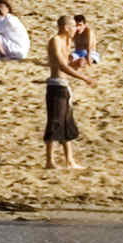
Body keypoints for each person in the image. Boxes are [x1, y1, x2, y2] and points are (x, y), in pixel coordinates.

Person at [43, 15, 99, 171]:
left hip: (64, 85)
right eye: (73, 26)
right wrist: (85, 78)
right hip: (55, 86)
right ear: (66, 27)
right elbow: (61, 65)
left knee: (67, 123)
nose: (76, 30)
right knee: (54, 122)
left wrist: (76, 65)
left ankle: (69, 160)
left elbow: (67, 65)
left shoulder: (67, 42)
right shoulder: (55, 40)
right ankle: (49, 161)